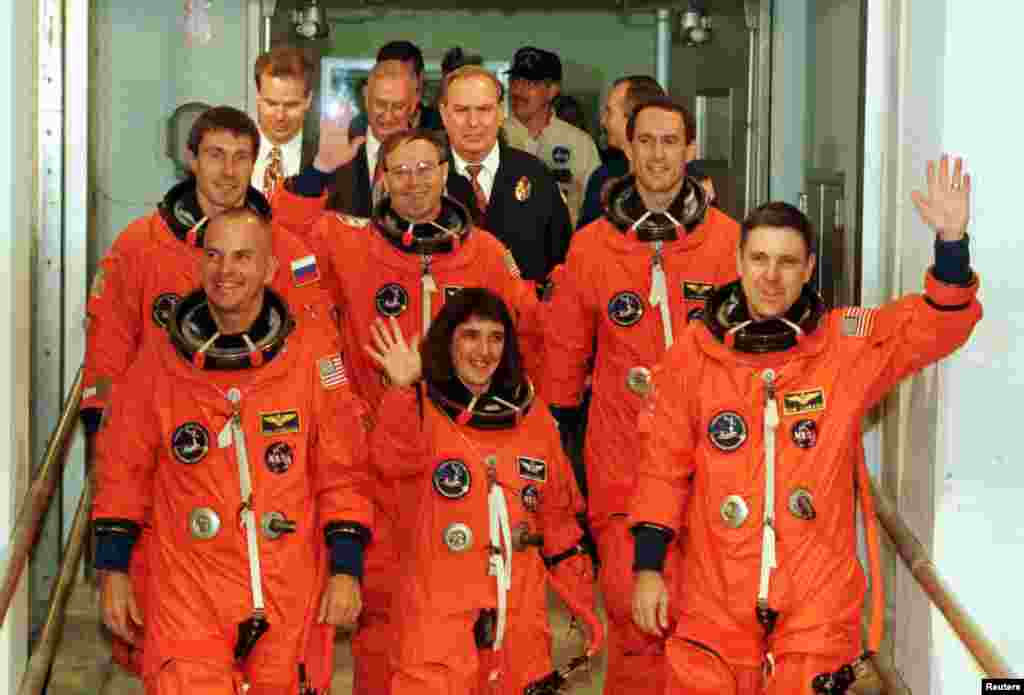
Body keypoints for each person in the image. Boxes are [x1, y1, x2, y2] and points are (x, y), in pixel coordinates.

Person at [630, 156, 981, 694]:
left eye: (788, 262)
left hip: (815, 596)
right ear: (738, 261)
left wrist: (951, 245)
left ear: (810, 267)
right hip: (715, 592)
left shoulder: (843, 345)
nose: (771, 276)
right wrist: (648, 567)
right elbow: (661, 470)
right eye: (760, 259)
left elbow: (935, 326)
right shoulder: (693, 357)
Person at [81, 105, 334, 677]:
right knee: (165, 641)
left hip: (264, 469)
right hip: (171, 468)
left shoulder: (286, 252)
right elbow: (108, 359)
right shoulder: (140, 247)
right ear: (191, 159)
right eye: (215, 155)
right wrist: (108, 452)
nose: (227, 171)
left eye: (241, 157)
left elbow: (322, 364)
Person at [93, 208, 374, 695]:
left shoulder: (311, 357)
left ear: (269, 269)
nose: (227, 271)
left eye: (244, 257)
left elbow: (343, 473)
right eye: (215, 256)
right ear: (199, 265)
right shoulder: (157, 363)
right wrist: (114, 569)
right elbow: (123, 471)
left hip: (287, 582)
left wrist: (346, 569)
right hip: (190, 586)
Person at [306, 127, 543, 695]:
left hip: (466, 455)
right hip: (381, 459)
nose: (413, 183)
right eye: (400, 171)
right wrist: (337, 393)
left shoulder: (484, 253)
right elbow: (282, 253)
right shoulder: (349, 243)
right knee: (382, 621)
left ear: (446, 173)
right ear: (381, 179)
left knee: (461, 617)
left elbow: (527, 333)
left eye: (425, 169)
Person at [540, 95, 741, 695]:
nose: (658, 154)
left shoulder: (729, 241)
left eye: (670, 141)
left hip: (714, 460)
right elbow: (562, 370)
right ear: (626, 148)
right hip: (622, 459)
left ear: (690, 149)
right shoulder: (593, 246)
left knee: (706, 621)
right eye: (646, 141)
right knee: (633, 612)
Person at [366, 288, 597, 695]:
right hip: (438, 622)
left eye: (495, 337)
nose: (484, 351)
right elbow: (391, 461)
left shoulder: (533, 418)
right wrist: (401, 390)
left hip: (519, 623)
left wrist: (580, 596)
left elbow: (557, 516)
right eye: (470, 336)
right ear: (447, 343)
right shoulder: (419, 409)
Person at [439, 65, 572, 282]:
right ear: (444, 114)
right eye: (462, 110)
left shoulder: (535, 175)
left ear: (501, 112)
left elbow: (561, 264)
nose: (473, 122)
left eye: (484, 110)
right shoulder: (426, 178)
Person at [503, 47, 601, 227]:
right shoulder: (494, 137)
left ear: (552, 90)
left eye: (530, 84)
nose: (518, 90)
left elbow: (595, 211)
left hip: (565, 250)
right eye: (515, 80)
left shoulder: (579, 143)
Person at [325, 62, 419, 216]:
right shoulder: (337, 150)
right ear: (366, 96)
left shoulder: (432, 154)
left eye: (398, 106)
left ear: (413, 104)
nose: (388, 116)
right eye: (380, 104)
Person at [578, 75, 665, 230]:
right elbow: (584, 245)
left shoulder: (681, 181)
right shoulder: (603, 176)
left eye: (610, 112)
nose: (603, 121)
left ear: (634, 119)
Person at [251, 45, 317, 197]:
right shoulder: (233, 152)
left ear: (308, 100)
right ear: (258, 97)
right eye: (271, 103)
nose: (280, 116)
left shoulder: (325, 159)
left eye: (291, 105)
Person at [349, 40, 444, 138]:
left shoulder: (441, 126)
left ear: (420, 78)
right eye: (387, 75)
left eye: (405, 76)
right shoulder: (360, 127)